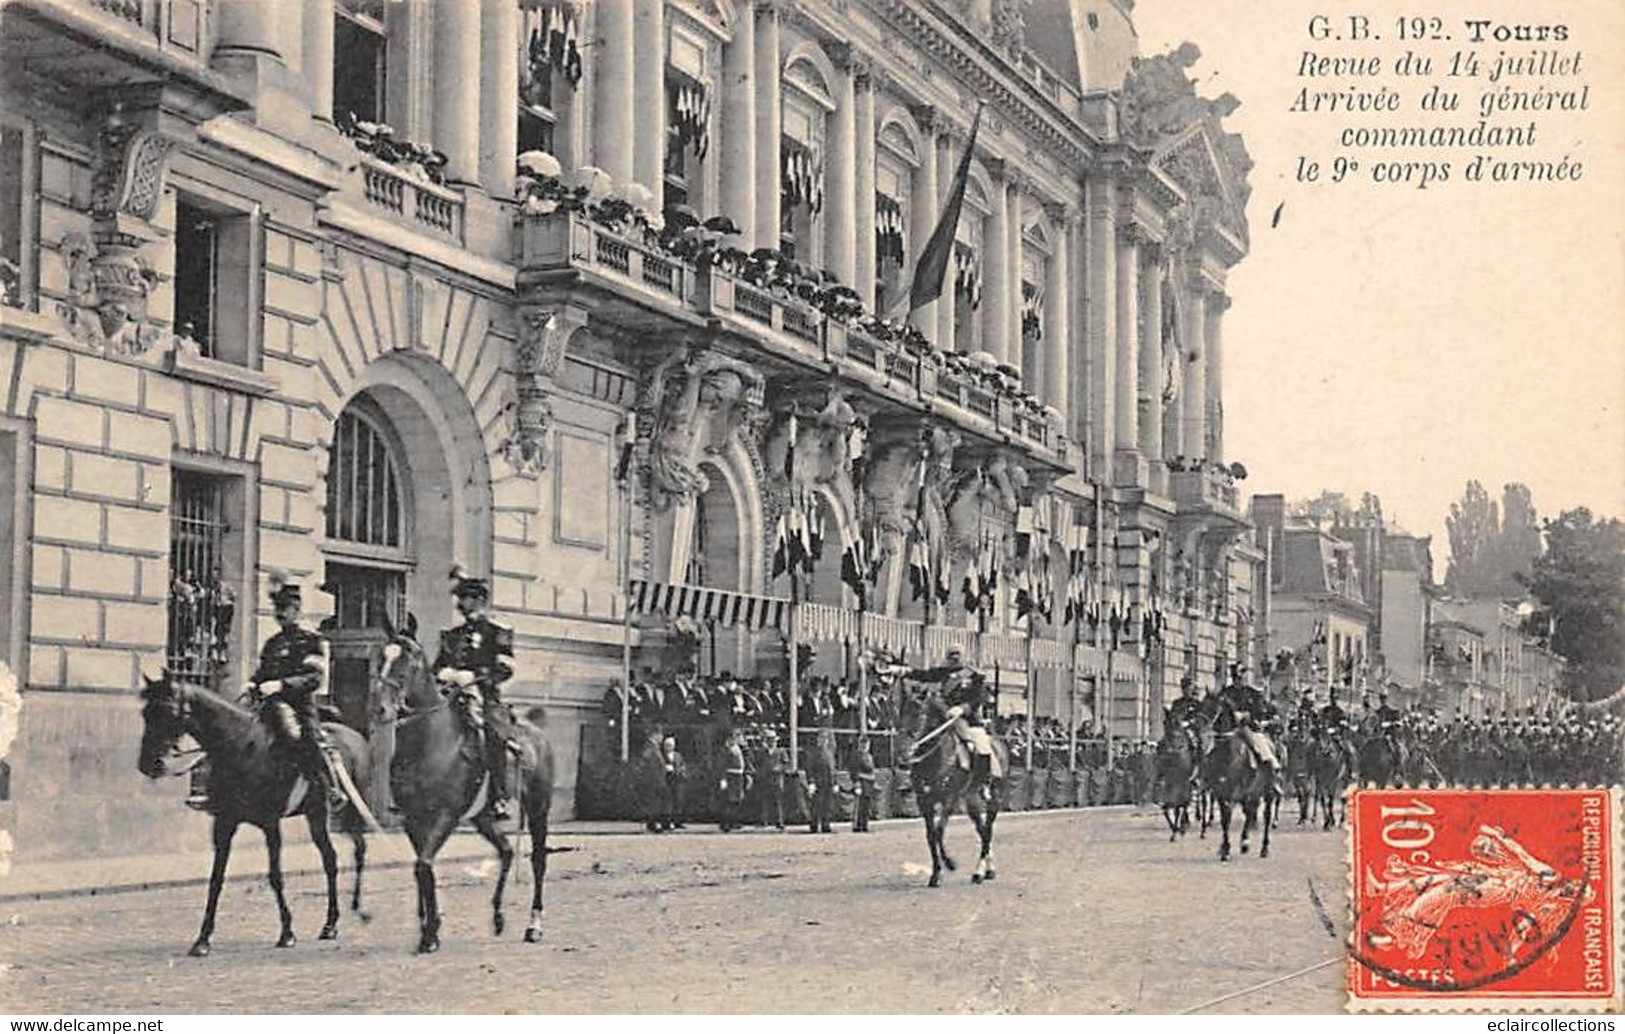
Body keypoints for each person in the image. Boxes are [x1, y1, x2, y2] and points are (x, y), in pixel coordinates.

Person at [247, 578, 346, 810]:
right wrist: (251, 684)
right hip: (268, 705)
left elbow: (314, 678)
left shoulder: (311, 641)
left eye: (285, 608)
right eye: (277, 609)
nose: (279, 613)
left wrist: (282, 685)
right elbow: (262, 673)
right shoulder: (272, 643)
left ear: (297, 610)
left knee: (305, 738)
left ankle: (330, 787)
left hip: (299, 706)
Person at [433, 566, 517, 820]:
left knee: (495, 735)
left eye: (466, 598)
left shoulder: (496, 631)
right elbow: (436, 666)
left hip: (484, 699)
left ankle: (500, 797)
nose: (461, 604)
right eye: (459, 598)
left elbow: (505, 668)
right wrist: (443, 673)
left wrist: (476, 677)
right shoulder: (452, 635)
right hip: (450, 696)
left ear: (479, 600)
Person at [757, 727, 788, 830]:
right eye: (769, 740)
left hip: (777, 778)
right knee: (764, 800)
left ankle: (779, 821)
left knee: (778, 801)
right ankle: (764, 821)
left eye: (773, 740)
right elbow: (758, 763)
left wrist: (779, 768)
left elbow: (786, 763)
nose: (771, 742)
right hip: (766, 778)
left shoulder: (781, 751)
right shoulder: (762, 751)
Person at [718, 729, 748, 832]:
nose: (735, 740)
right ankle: (726, 823)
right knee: (729, 801)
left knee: (737, 801)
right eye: (734, 737)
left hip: (738, 776)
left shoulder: (738, 749)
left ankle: (734, 821)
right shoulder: (725, 750)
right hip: (730, 775)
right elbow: (721, 765)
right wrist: (723, 779)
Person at [850, 737, 877, 832]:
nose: (865, 746)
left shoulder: (869, 756)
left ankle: (864, 824)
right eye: (863, 744)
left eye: (867, 744)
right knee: (859, 806)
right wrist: (857, 784)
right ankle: (857, 825)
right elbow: (854, 771)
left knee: (866, 806)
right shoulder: (856, 756)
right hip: (861, 783)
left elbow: (872, 770)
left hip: (869, 784)